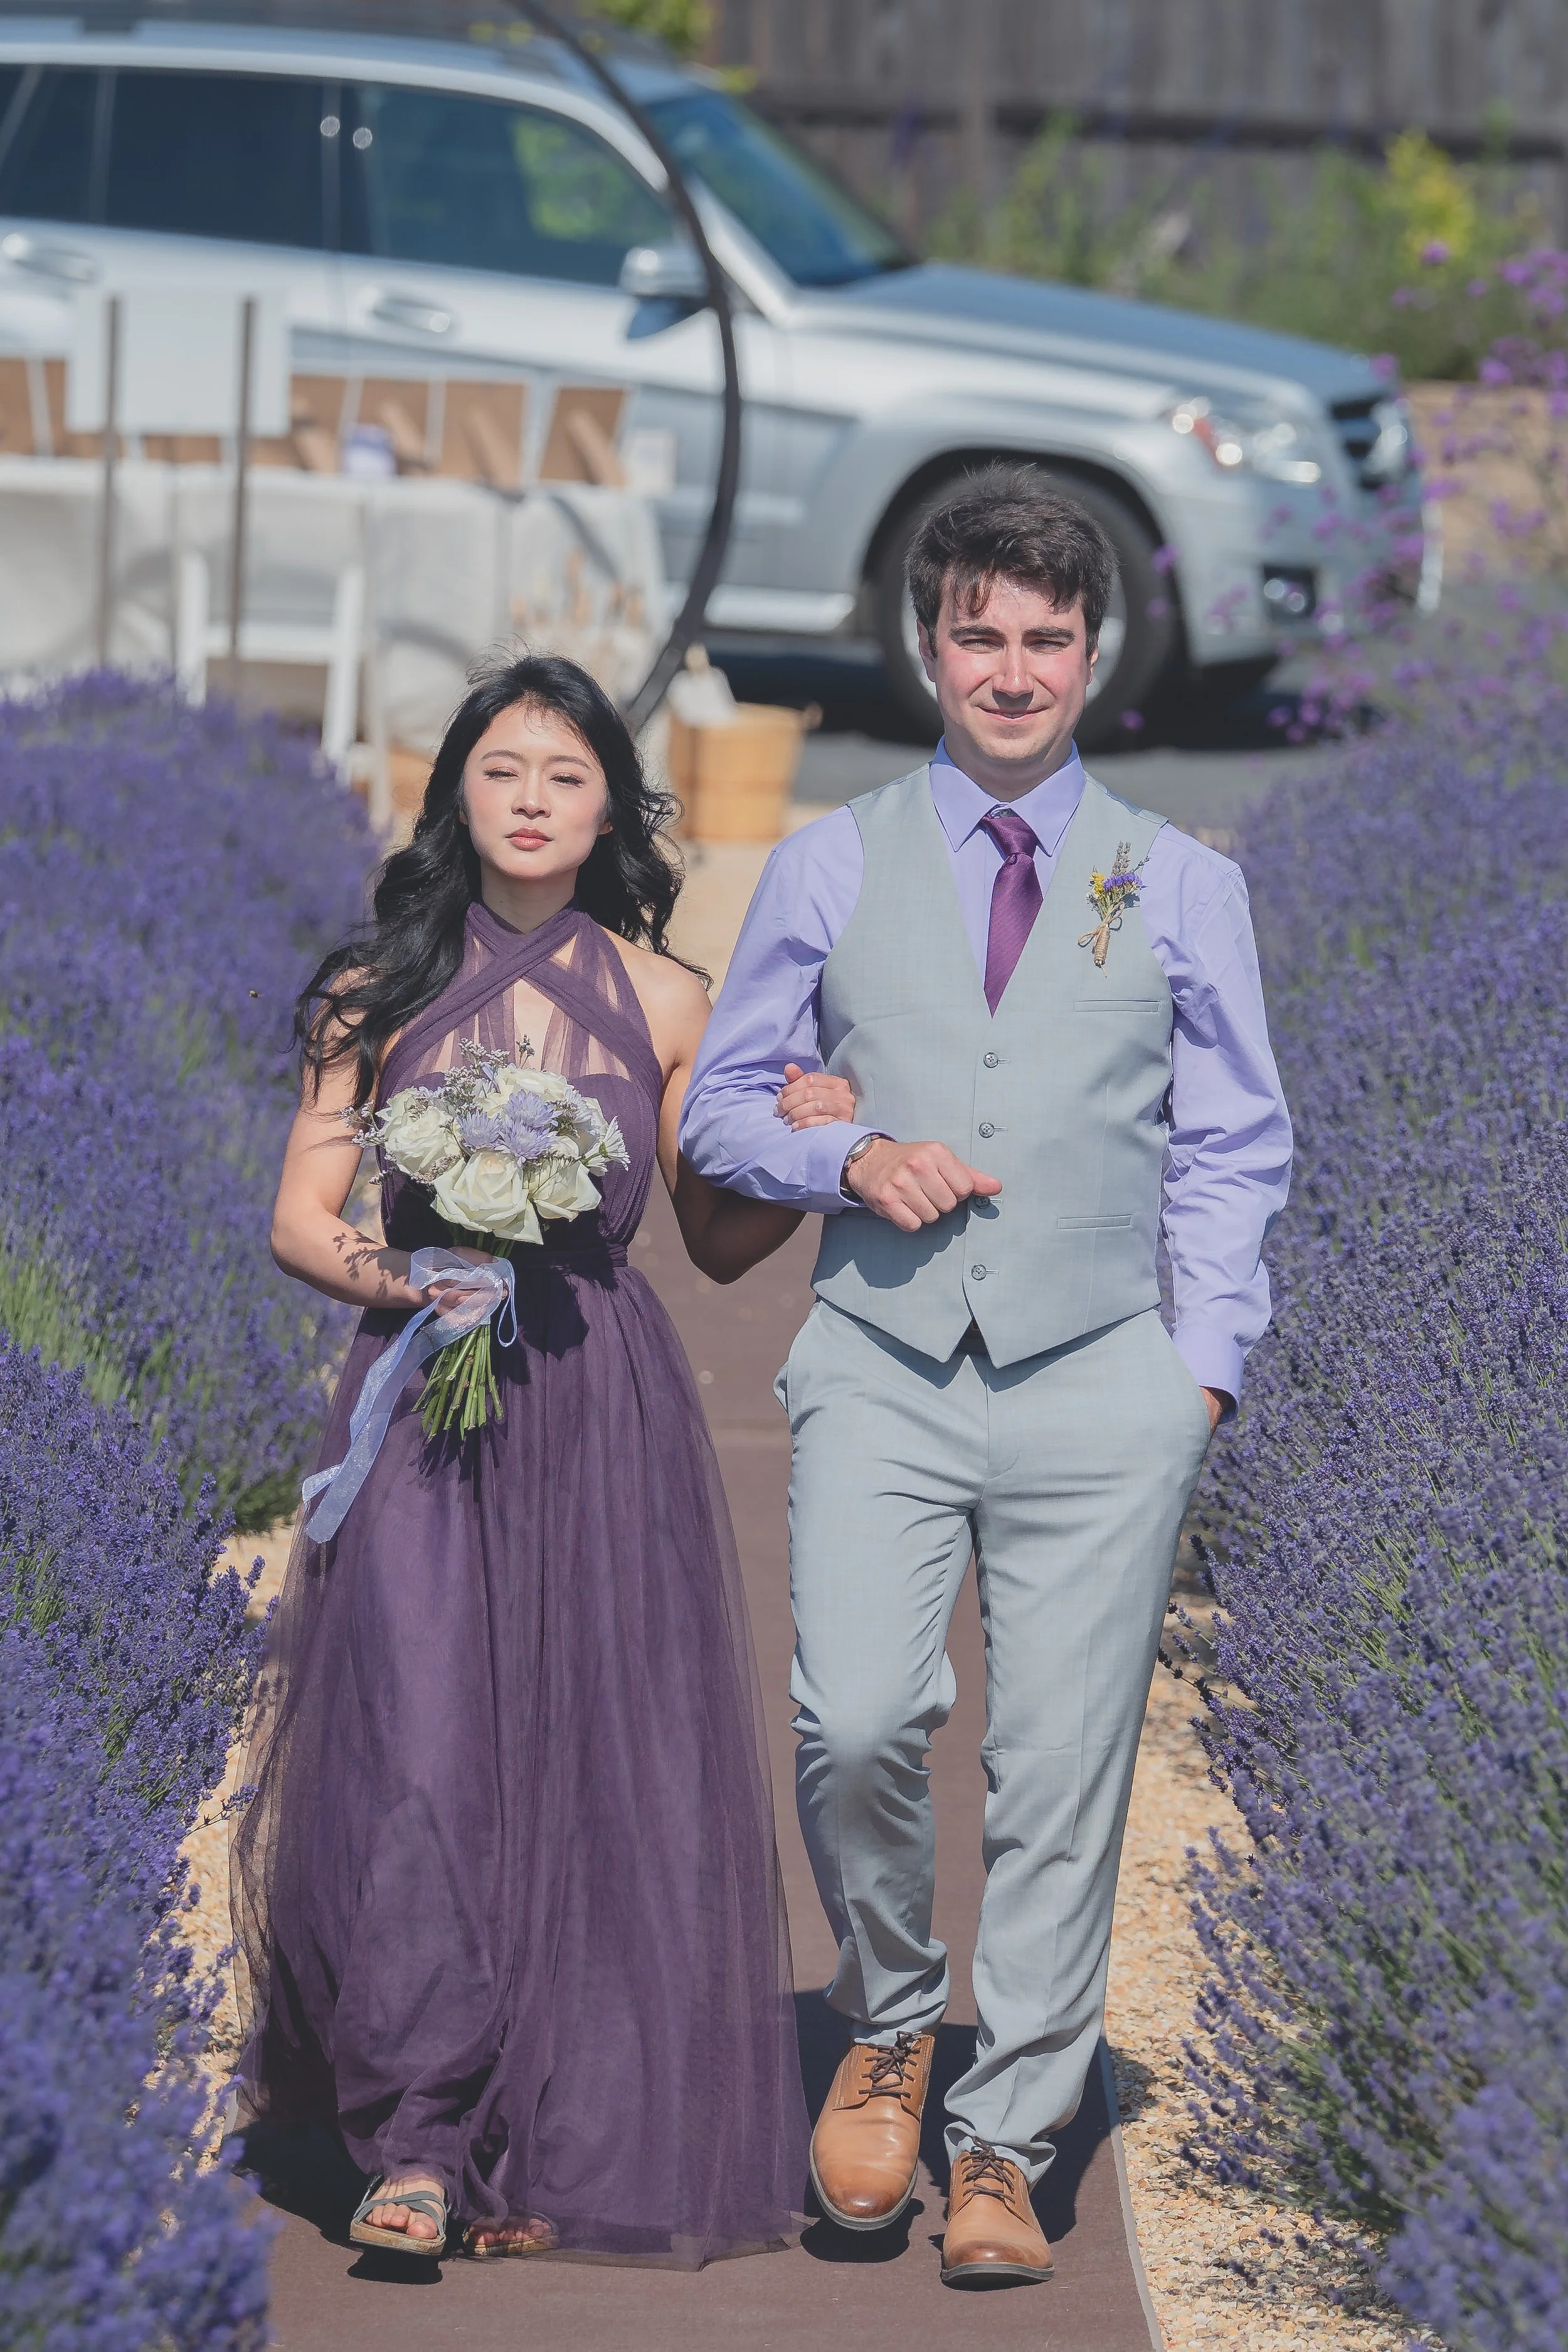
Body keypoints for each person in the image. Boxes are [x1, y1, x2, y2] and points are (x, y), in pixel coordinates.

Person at [680, 467, 1293, 2288]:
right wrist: (845, 1154)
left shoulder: (1179, 880)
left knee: (1057, 1768)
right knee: (855, 1718)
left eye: (1045, 638)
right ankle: (885, 2020)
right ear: (925, 642)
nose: (1011, 670)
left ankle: (1003, 2136)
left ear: (1090, 653)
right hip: (877, 1356)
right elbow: (722, 1101)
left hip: (1104, 1373)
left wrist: (1199, 1369)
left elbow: (1233, 1141)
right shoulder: (829, 857)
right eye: (979, 636)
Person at [232, 652, 849, 2265]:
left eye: (563, 777)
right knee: (423, 1748)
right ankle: (416, 2139)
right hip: (424, 1385)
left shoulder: (664, 1001)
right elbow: (302, 1216)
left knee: (588, 1752)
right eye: (500, 770)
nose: (527, 800)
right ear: (453, 793)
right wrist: (405, 1278)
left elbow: (717, 1244)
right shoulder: (373, 992)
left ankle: (559, 2116)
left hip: (597, 1402)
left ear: (606, 809)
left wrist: (806, 1137)